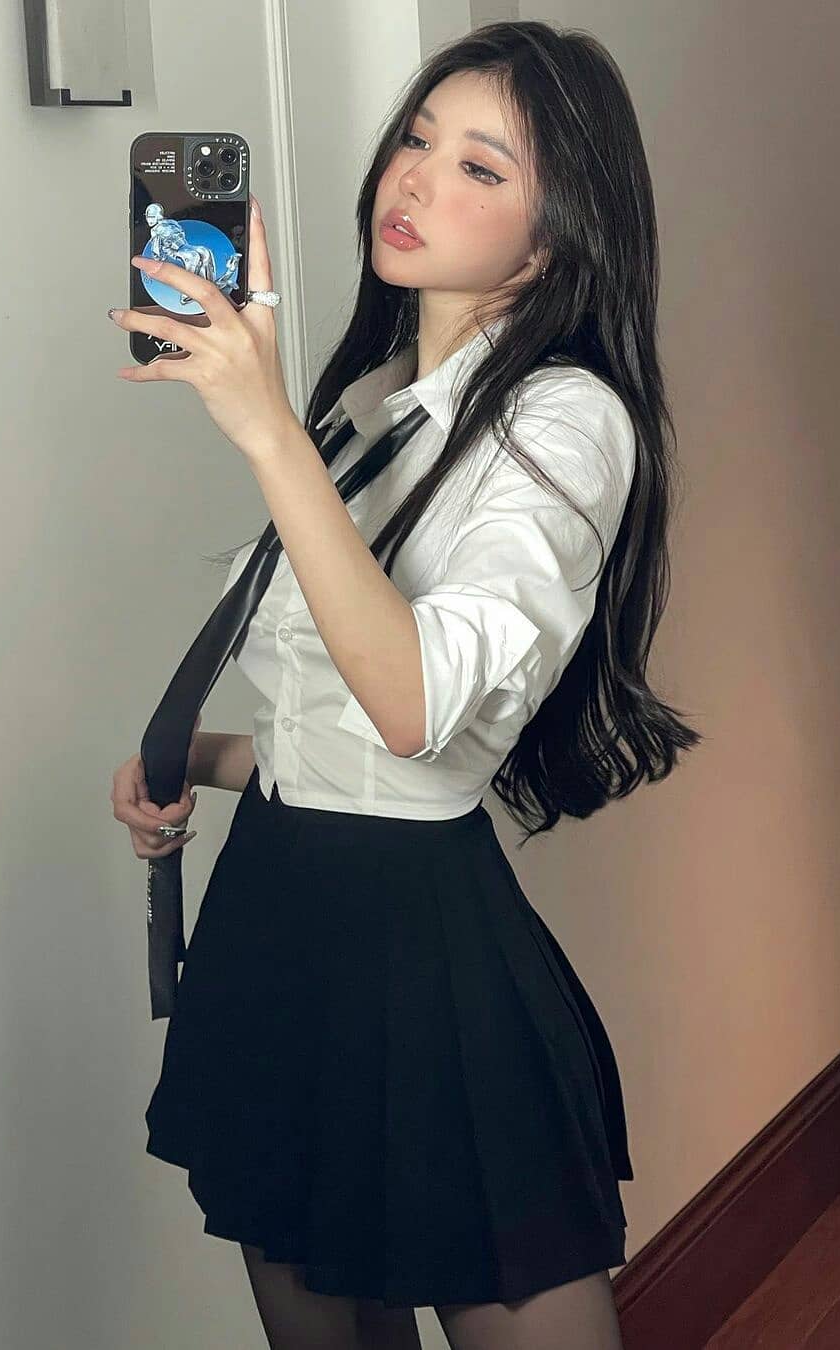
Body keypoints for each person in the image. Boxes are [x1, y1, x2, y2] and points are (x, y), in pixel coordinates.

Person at [111, 19, 701, 1350]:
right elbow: (335, 724)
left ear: (555, 238)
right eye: (419, 139)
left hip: (416, 944)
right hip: (275, 914)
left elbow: (419, 713)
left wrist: (265, 430)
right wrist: (193, 758)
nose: (418, 176)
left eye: (482, 166)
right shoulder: (371, 405)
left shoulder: (567, 420)